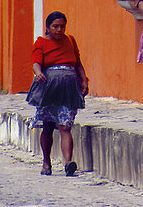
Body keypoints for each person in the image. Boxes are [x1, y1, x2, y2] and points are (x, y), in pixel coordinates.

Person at [29, 11, 88, 176]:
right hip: (49, 89)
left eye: (62, 26)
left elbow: (78, 63)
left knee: (65, 125)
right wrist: (38, 73)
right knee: (47, 126)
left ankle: (68, 163)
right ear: (48, 27)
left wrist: (84, 80)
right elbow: (35, 62)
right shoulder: (41, 42)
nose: (59, 29)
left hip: (68, 89)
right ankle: (46, 163)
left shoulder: (70, 40)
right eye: (55, 26)